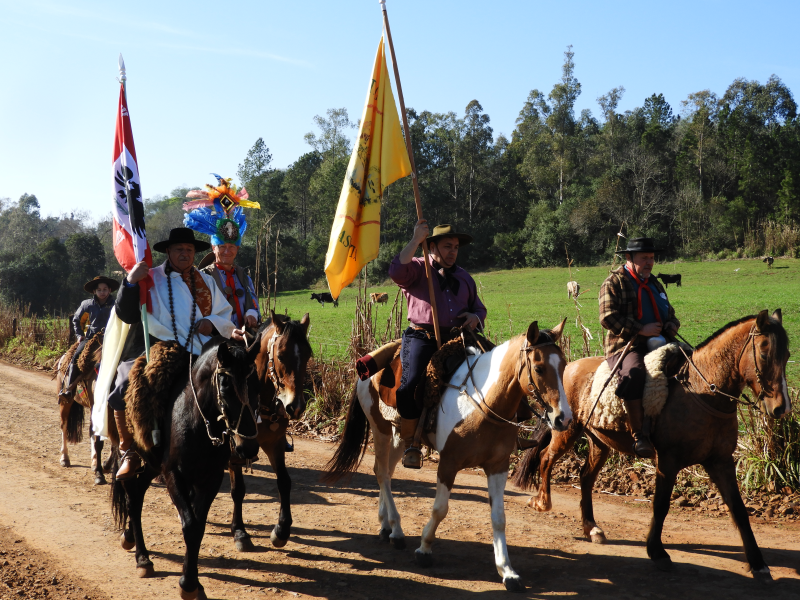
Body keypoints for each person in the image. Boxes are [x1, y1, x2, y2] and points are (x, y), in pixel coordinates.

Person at [109, 227, 245, 480]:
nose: (185, 254)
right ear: (169, 251)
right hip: (163, 346)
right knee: (125, 385)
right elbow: (126, 313)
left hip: (204, 346)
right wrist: (130, 282)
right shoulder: (150, 277)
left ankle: (239, 440)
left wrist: (212, 323)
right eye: (179, 249)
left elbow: (224, 313)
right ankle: (129, 451)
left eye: (189, 250)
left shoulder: (205, 281)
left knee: (238, 379)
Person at [388, 220, 487, 468]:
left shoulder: (465, 278)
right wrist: (414, 240)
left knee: (497, 368)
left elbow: (479, 309)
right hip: (422, 336)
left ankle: (504, 432)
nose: (453, 251)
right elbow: (395, 272)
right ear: (431, 247)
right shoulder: (416, 269)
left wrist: (476, 317)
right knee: (409, 386)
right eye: (447, 246)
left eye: (455, 247)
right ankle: (412, 441)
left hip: (458, 338)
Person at [599, 237, 680, 458]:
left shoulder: (654, 283)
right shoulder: (614, 282)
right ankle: (639, 436)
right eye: (644, 258)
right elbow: (607, 317)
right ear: (628, 257)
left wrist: (671, 325)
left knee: (691, 361)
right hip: (627, 345)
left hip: (661, 342)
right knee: (634, 375)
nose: (650, 262)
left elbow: (670, 313)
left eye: (652, 258)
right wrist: (640, 329)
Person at [59, 276, 119, 398]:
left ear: (110, 290)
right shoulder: (87, 305)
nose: (102, 292)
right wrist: (80, 335)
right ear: (94, 291)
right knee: (76, 356)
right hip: (91, 339)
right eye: (99, 290)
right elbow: (77, 320)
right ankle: (70, 389)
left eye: (105, 289)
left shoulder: (116, 305)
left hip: (111, 339)